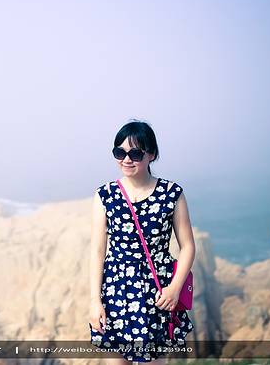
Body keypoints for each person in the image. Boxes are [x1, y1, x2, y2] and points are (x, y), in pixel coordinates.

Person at [88, 120, 195, 364]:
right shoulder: (105, 195)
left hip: (158, 292)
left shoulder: (171, 193)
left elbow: (188, 246)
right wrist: (95, 301)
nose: (126, 160)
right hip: (115, 291)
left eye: (135, 154)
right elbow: (97, 251)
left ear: (151, 154)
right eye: (120, 153)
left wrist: (174, 288)